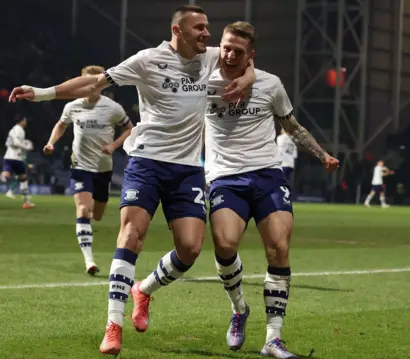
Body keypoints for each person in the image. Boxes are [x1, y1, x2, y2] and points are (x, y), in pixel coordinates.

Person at [9, 5, 256, 356]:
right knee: (131, 235)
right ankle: (113, 325)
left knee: (190, 248)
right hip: (147, 162)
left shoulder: (212, 57)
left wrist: (243, 82)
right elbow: (94, 83)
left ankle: (144, 290)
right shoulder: (147, 60)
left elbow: (248, 66)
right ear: (177, 30)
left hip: (186, 169)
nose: (206, 33)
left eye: (207, 27)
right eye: (199, 27)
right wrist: (44, 92)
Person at [203, 22, 339, 358]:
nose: (230, 54)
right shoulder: (201, 80)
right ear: (219, 45)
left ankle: (273, 339)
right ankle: (239, 310)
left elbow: (292, 126)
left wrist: (322, 154)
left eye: (239, 50)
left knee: (278, 247)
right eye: (226, 47)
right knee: (224, 244)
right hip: (225, 176)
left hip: (267, 174)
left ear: (251, 55)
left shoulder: (271, 84)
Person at [43, 65, 134, 275]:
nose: (90, 86)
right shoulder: (72, 106)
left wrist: (113, 146)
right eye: (85, 82)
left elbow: (130, 128)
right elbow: (61, 125)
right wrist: (51, 143)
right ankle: (89, 261)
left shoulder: (113, 108)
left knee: (98, 214)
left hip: (103, 168)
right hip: (80, 166)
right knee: (83, 210)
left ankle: (87, 227)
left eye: (95, 82)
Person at [2, 116, 35, 208]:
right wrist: (26, 146)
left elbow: (7, 143)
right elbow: (16, 143)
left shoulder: (12, 130)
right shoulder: (19, 130)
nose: (26, 122)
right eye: (25, 120)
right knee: (23, 179)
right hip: (16, 158)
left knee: (5, 176)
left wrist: (24, 143)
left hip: (8, 157)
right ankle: (26, 202)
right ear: (21, 121)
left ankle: (27, 202)